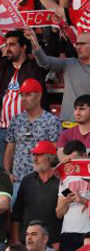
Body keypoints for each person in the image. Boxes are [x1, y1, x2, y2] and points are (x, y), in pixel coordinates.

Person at [29, 31, 90, 125]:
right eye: (77, 44)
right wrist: (34, 42)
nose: (78, 47)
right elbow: (44, 61)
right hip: (69, 123)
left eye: (82, 44)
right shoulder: (68, 64)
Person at [3, 80, 60, 186]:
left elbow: (55, 153)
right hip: (17, 180)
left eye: (28, 95)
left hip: (41, 181)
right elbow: (9, 150)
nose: (24, 99)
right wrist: (7, 173)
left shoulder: (51, 121)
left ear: (39, 95)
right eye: (22, 95)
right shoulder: (16, 120)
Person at [0, 31, 45, 159]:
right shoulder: (3, 66)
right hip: (3, 129)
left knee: (25, 167)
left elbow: (44, 60)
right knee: (4, 172)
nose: (8, 49)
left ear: (23, 47)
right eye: (7, 45)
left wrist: (35, 40)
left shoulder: (34, 67)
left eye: (12, 45)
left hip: (27, 129)